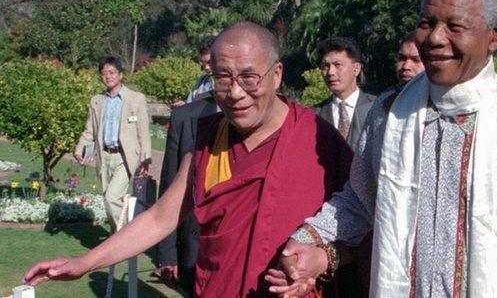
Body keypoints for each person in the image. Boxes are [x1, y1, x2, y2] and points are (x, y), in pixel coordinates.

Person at [267, 0, 497, 298]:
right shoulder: (390, 113)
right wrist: (310, 240)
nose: (434, 38)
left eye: (455, 25)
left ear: (495, 36)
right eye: (427, 23)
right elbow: (360, 202)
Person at [23, 22, 352, 298]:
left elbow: (360, 229)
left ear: (276, 74)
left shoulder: (319, 141)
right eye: (223, 78)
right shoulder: (209, 139)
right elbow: (160, 218)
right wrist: (84, 263)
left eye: (249, 78)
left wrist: (323, 259)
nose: (236, 92)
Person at [74, 55, 151, 228]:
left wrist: (146, 158)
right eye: (104, 73)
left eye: (112, 72)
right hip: (104, 156)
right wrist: (79, 149)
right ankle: (116, 240)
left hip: (125, 158)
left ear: (120, 75)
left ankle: (125, 238)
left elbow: (143, 131)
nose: (108, 76)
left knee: (112, 197)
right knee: (108, 201)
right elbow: (90, 130)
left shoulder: (136, 98)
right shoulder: (96, 101)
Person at [155, 96, 219, 295]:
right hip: (194, 248)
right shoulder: (185, 117)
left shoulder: (273, 119)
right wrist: (167, 254)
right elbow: (169, 187)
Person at [314, 37, 376, 149]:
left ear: (356, 69)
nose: (330, 72)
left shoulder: (377, 107)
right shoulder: (314, 115)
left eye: (337, 65)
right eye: (326, 66)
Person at [172, 36, 217, 107]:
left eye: (209, 62)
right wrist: (184, 106)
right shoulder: (200, 83)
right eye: (203, 63)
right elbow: (192, 105)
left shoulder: (231, 82)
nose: (206, 67)